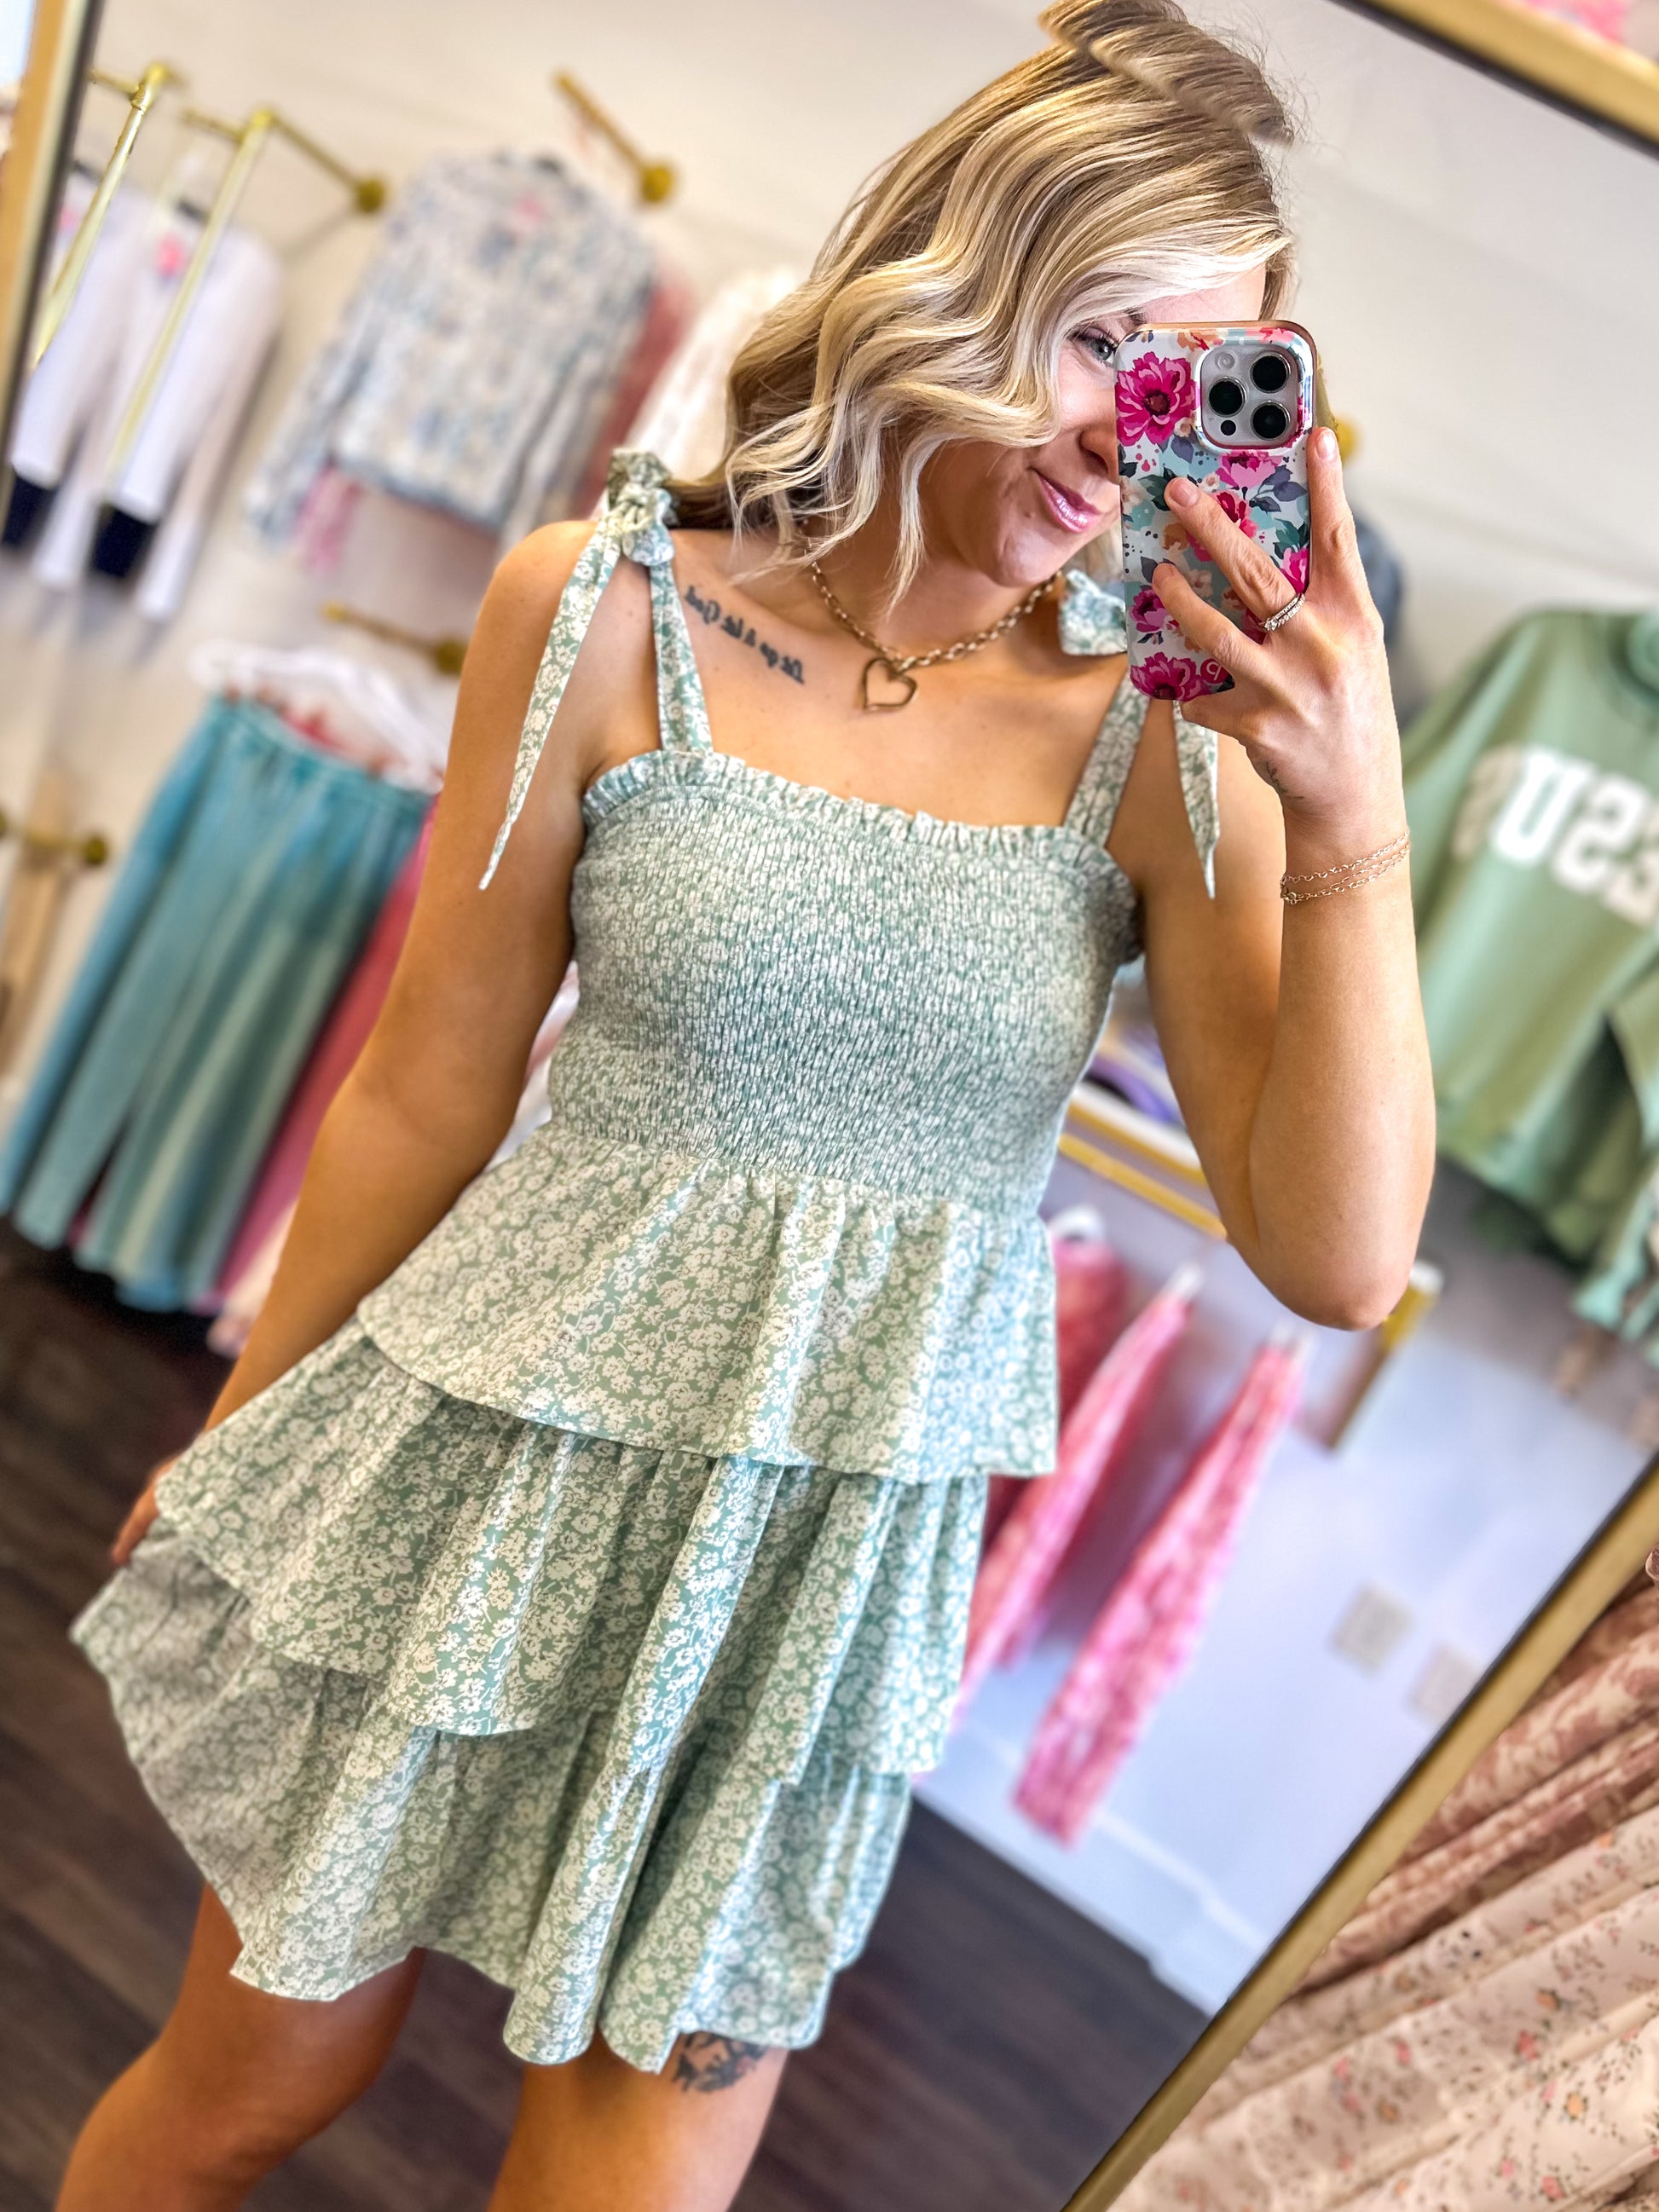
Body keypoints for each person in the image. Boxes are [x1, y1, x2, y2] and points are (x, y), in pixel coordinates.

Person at [55, 2, 1434, 2206]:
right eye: (1098, 337)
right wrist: (242, 1431)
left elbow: (1339, 1258)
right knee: (247, 2092)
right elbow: (427, 1085)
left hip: (806, 1603)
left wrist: (1352, 822)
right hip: (476, 1479)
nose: (1130, 429)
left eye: (1195, 371)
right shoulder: (604, 608)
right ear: (953, 280)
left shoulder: (1176, 749)